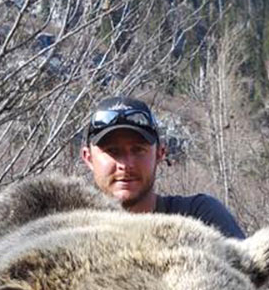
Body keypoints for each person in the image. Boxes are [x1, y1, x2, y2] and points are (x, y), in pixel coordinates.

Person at [81, 96, 245, 239]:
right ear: (88, 158)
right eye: (113, 151)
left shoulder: (200, 217)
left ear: (160, 154)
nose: (125, 165)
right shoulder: (72, 230)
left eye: (138, 150)